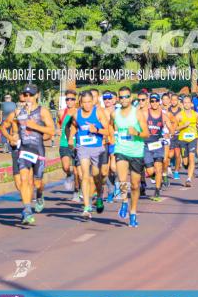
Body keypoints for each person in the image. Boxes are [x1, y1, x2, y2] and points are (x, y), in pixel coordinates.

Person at [2, 84, 55, 225]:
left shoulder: (42, 111)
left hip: (38, 150)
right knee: (24, 180)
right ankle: (27, 211)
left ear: (37, 95)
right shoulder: (18, 112)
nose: (28, 98)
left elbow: (51, 131)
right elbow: (4, 126)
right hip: (24, 150)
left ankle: (39, 195)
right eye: (25, 95)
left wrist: (35, 126)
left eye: (31, 95)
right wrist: (10, 137)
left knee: (37, 183)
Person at [69, 90, 110, 219]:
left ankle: (99, 195)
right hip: (83, 147)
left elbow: (108, 131)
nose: (86, 105)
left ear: (93, 101)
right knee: (85, 176)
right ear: (80, 102)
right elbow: (75, 126)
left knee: (97, 176)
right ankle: (87, 207)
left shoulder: (98, 112)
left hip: (97, 147)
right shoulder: (77, 114)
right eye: (84, 102)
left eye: (89, 102)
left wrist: (96, 130)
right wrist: (71, 137)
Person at [113, 87, 149, 227]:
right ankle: (124, 202)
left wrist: (136, 133)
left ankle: (133, 212)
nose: (124, 99)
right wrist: (111, 137)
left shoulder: (138, 113)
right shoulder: (115, 114)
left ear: (130, 97)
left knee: (134, 185)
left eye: (126, 96)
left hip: (136, 152)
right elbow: (111, 128)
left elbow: (146, 133)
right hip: (121, 149)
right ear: (118, 98)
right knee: (122, 179)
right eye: (121, 97)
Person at [143, 93, 166, 201]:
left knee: (159, 168)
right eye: (152, 101)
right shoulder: (145, 114)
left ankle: (157, 190)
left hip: (158, 145)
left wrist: (168, 133)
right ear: (150, 102)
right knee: (150, 171)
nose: (154, 103)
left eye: (156, 101)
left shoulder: (163, 115)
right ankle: (155, 177)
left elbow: (172, 125)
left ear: (159, 102)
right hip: (146, 145)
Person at [58, 90, 79, 200]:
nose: (69, 101)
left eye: (72, 99)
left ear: (76, 100)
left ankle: (77, 191)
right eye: (67, 99)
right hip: (64, 143)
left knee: (106, 171)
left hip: (77, 145)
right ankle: (69, 175)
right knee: (66, 167)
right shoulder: (61, 112)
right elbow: (59, 124)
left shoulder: (79, 112)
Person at [176, 95, 198, 187]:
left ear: (191, 104)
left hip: (193, 138)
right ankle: (188, 166)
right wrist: (183, 126)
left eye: (188, 102)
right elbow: (175, 129)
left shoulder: (196, 114)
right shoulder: (179, 115)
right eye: (185, 102)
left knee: (192, 158)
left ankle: (188, 179)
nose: (186, 104)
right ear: (182, 104)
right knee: (185, 162)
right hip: (182, 140)